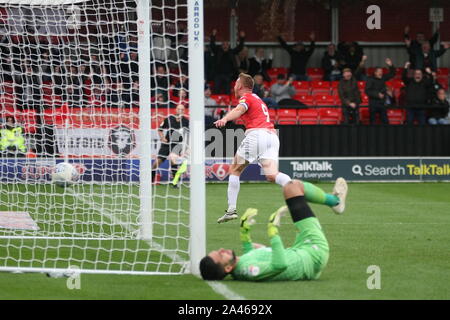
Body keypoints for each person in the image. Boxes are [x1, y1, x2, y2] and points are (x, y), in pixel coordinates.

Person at [199, 178, 348, 281]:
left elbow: (252, 257)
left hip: (301, 252)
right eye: (220, 255)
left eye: (217, 250)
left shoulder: (240, 267)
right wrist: (273, 231)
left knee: (293, 189)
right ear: (227, 268)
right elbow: (280, 265)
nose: (222, 249)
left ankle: (335, 202)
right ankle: (335, 202)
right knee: (292, 187)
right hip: (313, 253)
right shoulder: (248, 271)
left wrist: (244, 233)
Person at [151, 104, 189, 187]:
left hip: (177, 145)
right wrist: (162, 137)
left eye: (182, 109)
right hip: (166, 144)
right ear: (176, 110)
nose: (180, 111)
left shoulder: (186, 121)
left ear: (184, 111)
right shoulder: (169, 118)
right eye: (179, 109)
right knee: (156, 163)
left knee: (173, 160)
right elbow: (160, 130)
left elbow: (189, 134)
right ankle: (150, 182)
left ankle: (175, 183)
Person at [209, 29, 245, 94]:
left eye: (227, 45)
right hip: (218, 75)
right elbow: (212, 45)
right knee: (216, 90)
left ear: (229, 46)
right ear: (221, 46)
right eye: (224, 45)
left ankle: (228, 104)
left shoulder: (231, 52)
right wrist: (213, 36)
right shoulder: (217, 52)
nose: (225, 46)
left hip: (228, 75)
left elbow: (240, 47)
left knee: (227, 91)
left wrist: (242, 38)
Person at [365, 58, 395, 124]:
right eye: (379, 71)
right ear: (375, 72)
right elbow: (367, 91)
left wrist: (390, 65)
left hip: (382, 103)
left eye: (381, 71)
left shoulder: (383, 77)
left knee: (385, 122)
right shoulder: (370, 79)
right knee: (373, 122)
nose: (381, 73)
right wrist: (377, 94)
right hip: (373, 103)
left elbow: (392, 74)